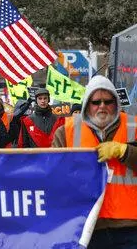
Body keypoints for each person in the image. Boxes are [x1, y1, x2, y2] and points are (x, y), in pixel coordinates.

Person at [52, 75, 137, 248]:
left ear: (116, 102)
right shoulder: (65, 132)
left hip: (130, 226)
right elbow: (53, 174)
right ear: (87, 104)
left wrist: (124, 151)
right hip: (86, 227)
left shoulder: (134, 127)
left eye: (108, 101)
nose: (102, 106)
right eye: (96, 102)